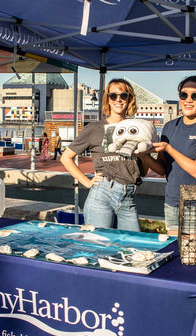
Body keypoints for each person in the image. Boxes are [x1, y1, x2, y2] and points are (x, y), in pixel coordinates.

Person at [60, 79, 152, 231]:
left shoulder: (138, 128)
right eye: (113, 96)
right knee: (99, 245)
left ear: (130, 99)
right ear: (107, 99)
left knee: (132, 246)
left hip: (128, 196)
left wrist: (145, 155)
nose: (118, 100)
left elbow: (141, 171)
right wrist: (86, 182)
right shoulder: (95, 128)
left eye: (124, 95)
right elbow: (66, 157)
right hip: (102, 194)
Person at [148, 76, 196, 234]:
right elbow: (163, 169)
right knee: (175, 253)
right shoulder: (170, 127)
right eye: (184, 95)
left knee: (195, 256)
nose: (188, 100)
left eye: (195, 96)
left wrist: (169, 149)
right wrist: (143, 155)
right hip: (172, 203)